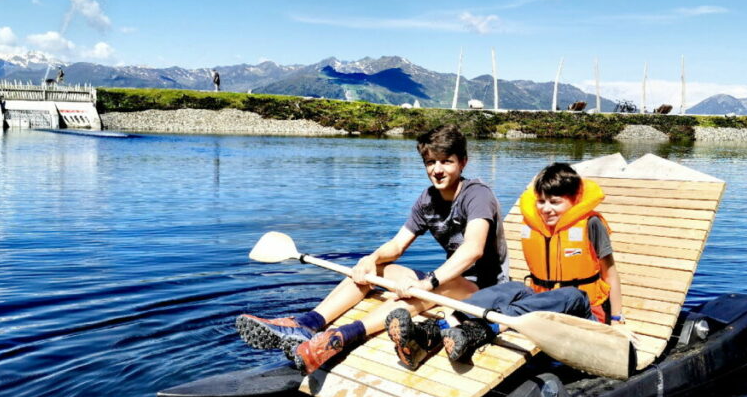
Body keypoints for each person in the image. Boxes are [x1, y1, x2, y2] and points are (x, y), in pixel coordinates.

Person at [236, 124, 508, 373]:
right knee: (374, 269)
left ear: (462, 162)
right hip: (449, 280)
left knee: (426, 287)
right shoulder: (427, 200)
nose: (437, 169)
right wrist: (371, 258)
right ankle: (308, 324)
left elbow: (473, 249)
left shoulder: (476, 195)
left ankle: (341, 337)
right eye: (430, 162)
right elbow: (398, 244)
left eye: (446, 162)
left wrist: (430, 282)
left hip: (484, 289)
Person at [404, 162, 623, 369]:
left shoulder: (591, 225)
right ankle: (439, 328)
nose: (546, 209)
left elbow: (610, 273)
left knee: (571, 295)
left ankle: (485, 329)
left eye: (555, 202)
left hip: (584, 313)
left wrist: (616, 320)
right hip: (542, 307)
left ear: (574, 200)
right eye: (541, 201)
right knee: (514, 287)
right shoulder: (536, 225)